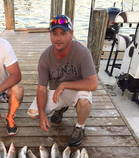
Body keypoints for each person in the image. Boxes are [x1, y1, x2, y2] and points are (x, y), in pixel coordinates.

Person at [28, 14, 98, 146]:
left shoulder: (83, 52)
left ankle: (79, 127)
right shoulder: (45, 57)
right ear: (50, 35)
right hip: (56, 93)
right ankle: (60, 108)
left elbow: (93, 84)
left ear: (71, 34)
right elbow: (42, 88)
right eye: (55, 33)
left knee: (84, 99)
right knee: (33, 113)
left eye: (63, 33)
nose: (58, 38)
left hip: (76, 92)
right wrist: (42, 114)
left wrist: (65, 84)